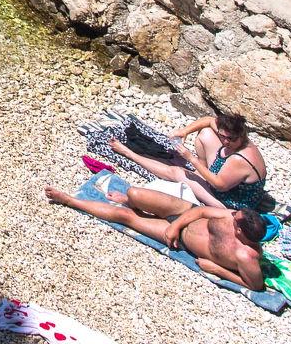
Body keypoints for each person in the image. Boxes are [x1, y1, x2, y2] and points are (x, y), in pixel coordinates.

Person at [45, 183, 267, 291]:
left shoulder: (246, 256)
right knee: (134, 194)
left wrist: (217, 269)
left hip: (179, 240)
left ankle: (69, 200)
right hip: (184, 213)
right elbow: (201, 211)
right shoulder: (231, 216)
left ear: (240, 231)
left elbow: (255, 286)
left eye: (235, 218)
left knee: (126, 217)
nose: (231, 214)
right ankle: (133, 202)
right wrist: (177, 223)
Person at [108, 110, 268, 210]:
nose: (225, 142)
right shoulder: (232, 137)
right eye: (223, 137)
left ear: (241, 135)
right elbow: (208, 121)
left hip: (230, 202)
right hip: (227, 181)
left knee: (176, 172)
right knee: (205, 134)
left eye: (230, 139)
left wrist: (191, 158)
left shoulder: (241, 159)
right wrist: (184, 132)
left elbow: (220, 185)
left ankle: (129, 153)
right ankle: (199, 175)